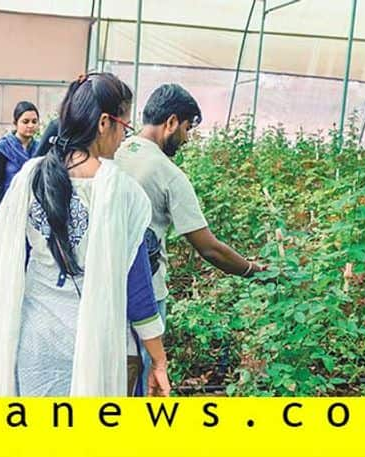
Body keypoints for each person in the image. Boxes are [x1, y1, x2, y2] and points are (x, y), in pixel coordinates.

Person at [0, 73, 171, 397]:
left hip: (35, 343)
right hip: (95, 348)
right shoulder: (121, 191)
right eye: (125, 125)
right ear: (105, 122)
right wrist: (158, 359)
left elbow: (8, 266)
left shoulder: (31, 177)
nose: (124, 136)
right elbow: (137, 289)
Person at [114, 83, 265, 393]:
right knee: (143, 373)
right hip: (147, 290)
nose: (186, 139)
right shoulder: (168, 173)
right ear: (170, 122)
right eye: (185, 128)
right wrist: (252, 270)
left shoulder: (112, 151)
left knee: (113, 369)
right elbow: (209, 249)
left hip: (105, 284)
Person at [0, 101, 40, 240]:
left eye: (34, 121)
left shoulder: (39, 149)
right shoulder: (2, 149)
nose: (30, 125)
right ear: (16, 123)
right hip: (5, 209)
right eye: (25, 121)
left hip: (29, 210)